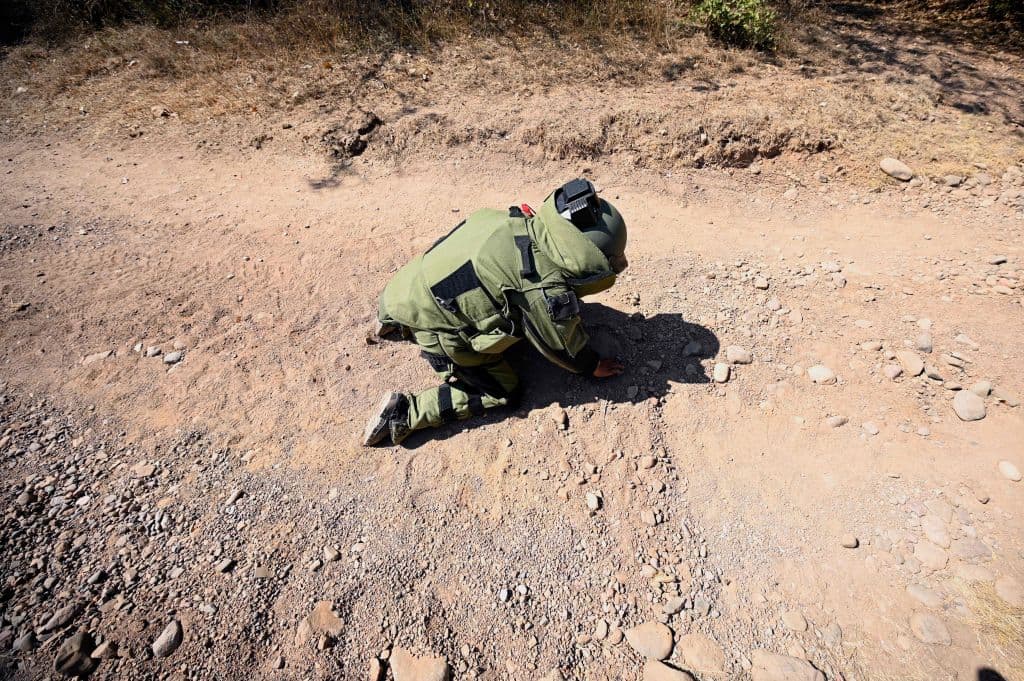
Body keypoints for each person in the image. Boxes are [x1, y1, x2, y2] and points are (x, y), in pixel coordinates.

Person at [362, 178, 628, 446]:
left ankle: (390, 321)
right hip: (437, 331)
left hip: (401, 291)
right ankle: (405, 414)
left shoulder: (515, 219)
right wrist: (591, 365)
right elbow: (561, 348)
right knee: (504, 393)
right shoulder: (544, 293)